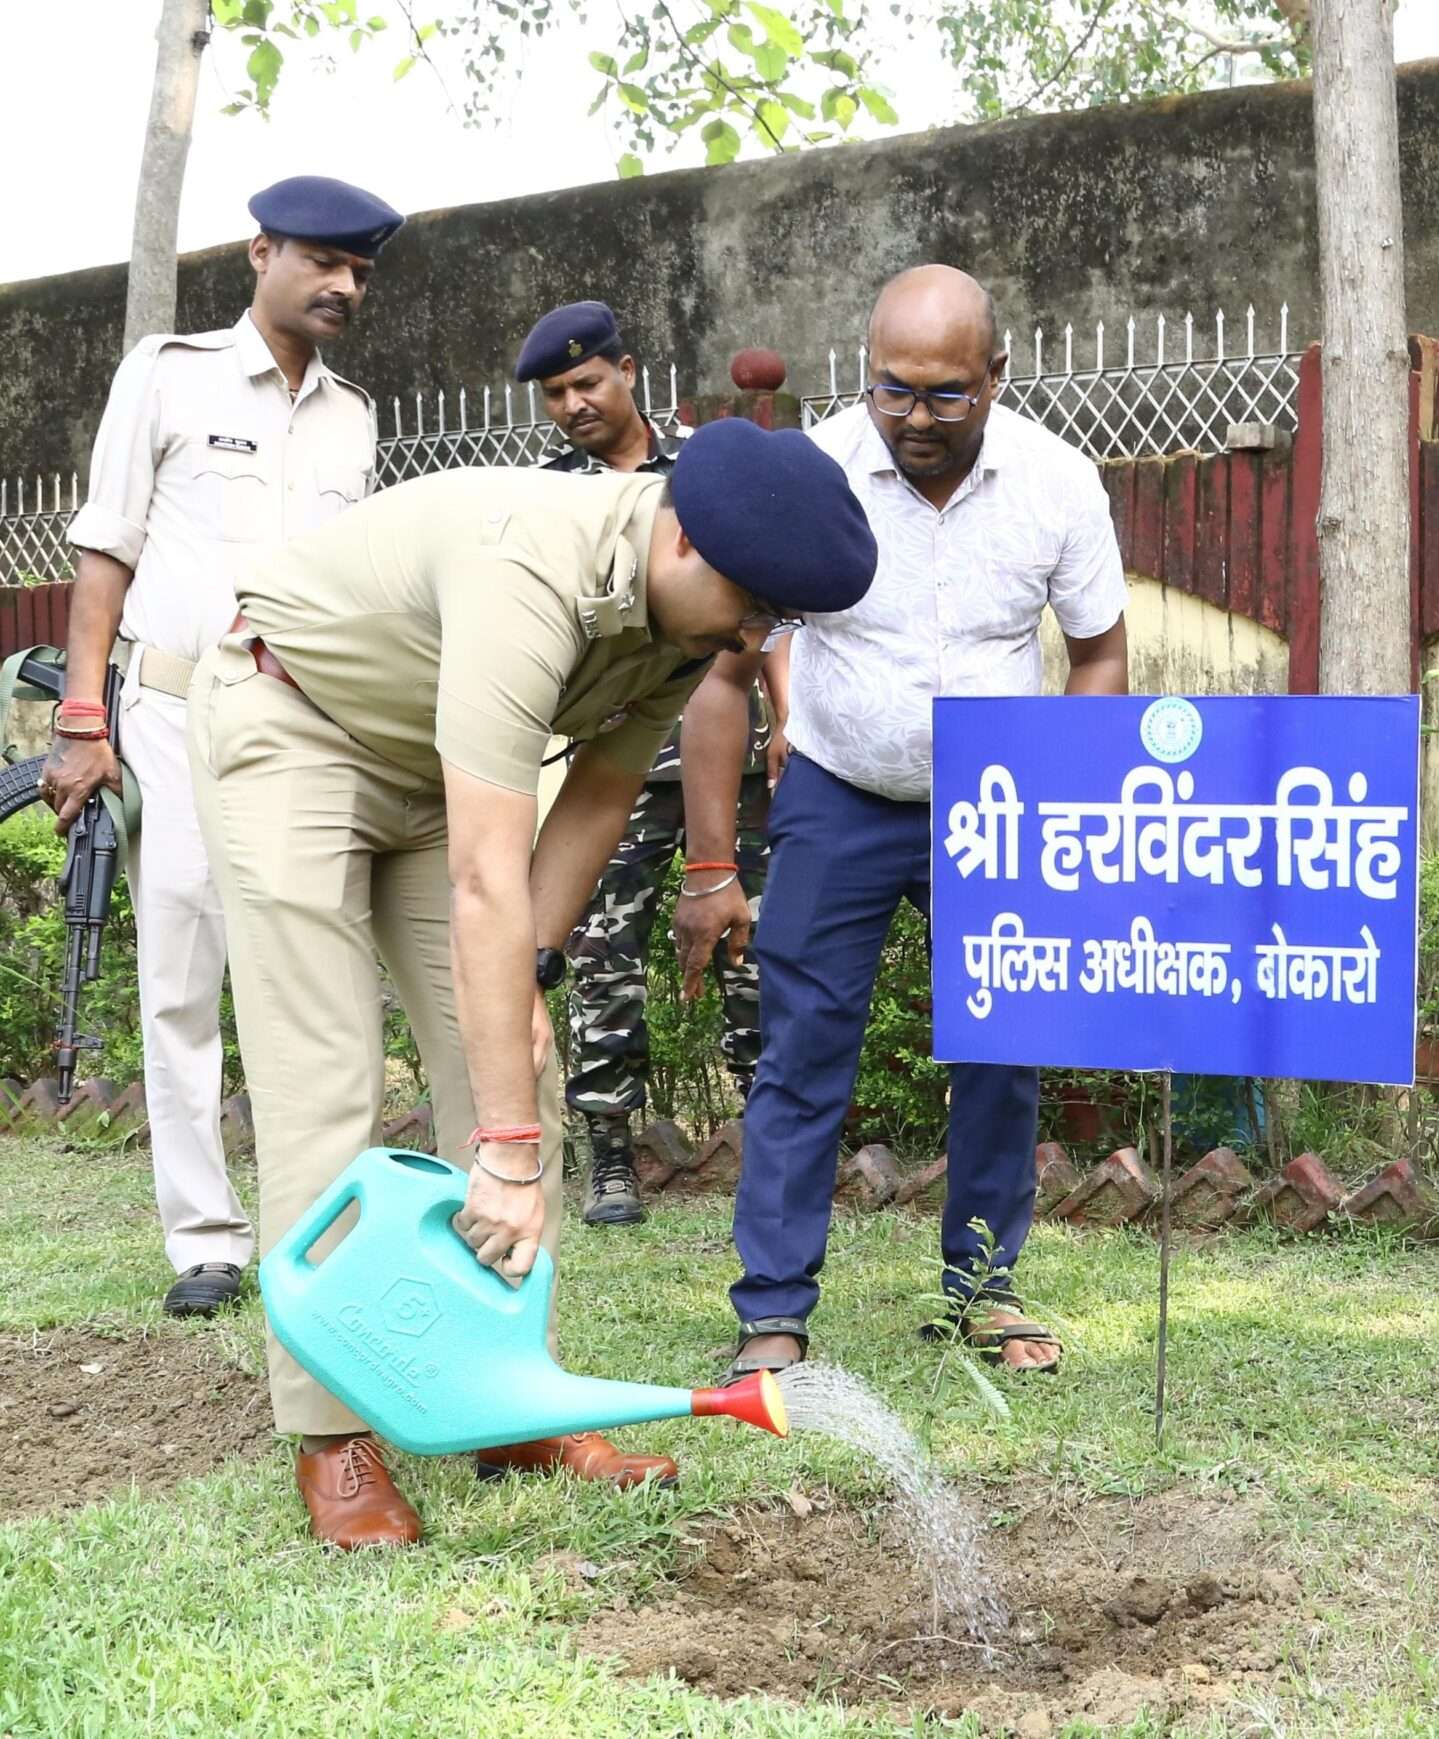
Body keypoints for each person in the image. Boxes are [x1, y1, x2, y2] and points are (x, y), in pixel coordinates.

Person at [187, 421, 875, 1548]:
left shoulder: (677, 621)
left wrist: (531, 982)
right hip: (293, 723)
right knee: (328, 1077)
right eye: (751, 606)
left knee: (520, 1063)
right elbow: (482, 875)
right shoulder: (527, 563)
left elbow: (599, 794)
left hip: (431, 772)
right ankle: (333, 1435)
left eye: (774, 619)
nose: (754, 638)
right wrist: (499, 1153)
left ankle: (504, 1403)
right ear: (684, 538)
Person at [726, 264, 1129, 1384]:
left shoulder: (1056, 482)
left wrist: (1056, 788)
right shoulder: (816, 469)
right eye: (890, 391)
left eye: (944, 395)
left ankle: (982, 1289)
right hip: (838, 791)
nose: (913, 419)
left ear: (997, 375)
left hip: (997, 807)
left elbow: (1098, 654)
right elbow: (754, 619)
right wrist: (786, 711)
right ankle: (772, 1309)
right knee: (801, 1048)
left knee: (1000, 1051)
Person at [45, 175, 401, 1320]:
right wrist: (83, 719)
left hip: (309, 725)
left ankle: (323, 1225)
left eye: (360, 271)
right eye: (325, 262)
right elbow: (107, 552)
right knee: (182, 979)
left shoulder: (354, 413)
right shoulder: (170, 372)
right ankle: (205, 1236)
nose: (344, 286)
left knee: (311, 981)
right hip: (178, 709)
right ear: (262, 252)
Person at [514, 300, 775, 1226]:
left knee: (753, 952)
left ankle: (767, 1142)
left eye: (589, 382)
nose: (575, 405)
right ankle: (611, 1157)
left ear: (629, 371)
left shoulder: (701, 470)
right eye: (556, 394)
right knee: (602, 958)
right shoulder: (548, 496)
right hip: (609, 763)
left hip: (722, 761)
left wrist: (784, 717)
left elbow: (762, 595)